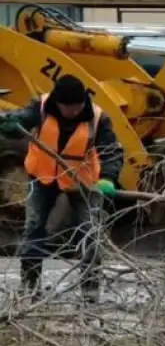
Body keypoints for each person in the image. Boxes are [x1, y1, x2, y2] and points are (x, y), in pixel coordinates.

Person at [0, 74, 123, 303]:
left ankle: (90, 291)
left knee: (90, 233)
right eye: (67, 107)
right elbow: (21, 121)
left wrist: (108, 178)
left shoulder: (98, 118)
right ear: (57, 102)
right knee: (34, 228)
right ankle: (30, 285)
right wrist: (10, 125)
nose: (72, 111)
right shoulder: (41, 107)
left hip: (82, 181)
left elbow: (112, 151)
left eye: (77, 106)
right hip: (42, 176)